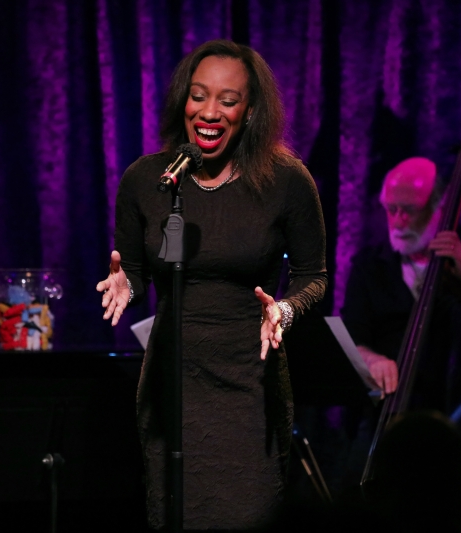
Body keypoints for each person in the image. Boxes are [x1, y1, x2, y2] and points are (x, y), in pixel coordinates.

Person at [96, 40, 327, 530]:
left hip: (249, 384)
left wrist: (283, 310)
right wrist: (127, 283)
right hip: (171, 382)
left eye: (228, 100)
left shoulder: (286, 181)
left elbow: (314, 277)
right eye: (199, 96)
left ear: (250, 112)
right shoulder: (148, 181)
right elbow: (134, 270)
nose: (210, 112)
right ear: (183, 100)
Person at [342, 156, 461, 402]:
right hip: (388, 408)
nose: (398, 221)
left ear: (438, 207)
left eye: (410, 210)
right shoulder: (369, 266)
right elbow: (350, 338)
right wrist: (370, 359)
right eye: (391, 209)